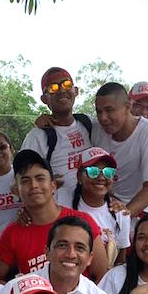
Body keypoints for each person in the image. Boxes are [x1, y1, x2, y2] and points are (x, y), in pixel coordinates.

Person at [0, 149, 108, 281]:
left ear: (53, 186)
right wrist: (17, 292)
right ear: (16, 191)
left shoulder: (82, 221)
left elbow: (103, 276)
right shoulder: (12, 233)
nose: (34, 185)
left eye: (40, 178)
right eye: (25, 181)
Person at [92, 82, 148, 217]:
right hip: (105, 206)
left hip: (137, 210)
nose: (103, 118)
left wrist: (123, 217)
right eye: (99, 111)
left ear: (127, 107)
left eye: (109, 110)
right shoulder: (96, 128)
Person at [21, 67, 92, 206]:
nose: (61, 90)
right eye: (53, 88)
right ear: (44, 99)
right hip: (60, 216)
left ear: (76, 91)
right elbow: (20, 181)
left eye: (66, 84)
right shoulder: (37, 136)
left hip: (93, 212)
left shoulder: (90, 124)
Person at [70, 147, 131, 264]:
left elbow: (120, 261)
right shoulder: (64, 199)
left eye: (108, 172)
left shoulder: (121, 214)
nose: (101, 177)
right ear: (79, 177)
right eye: (93, 171)